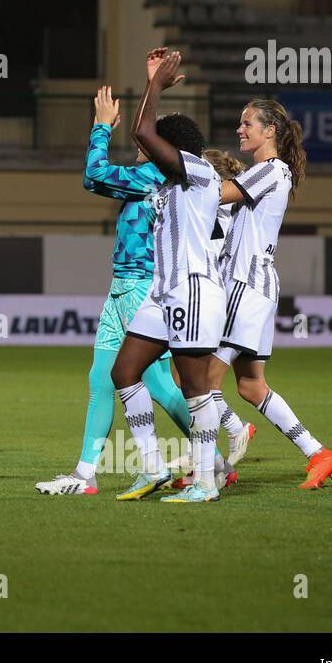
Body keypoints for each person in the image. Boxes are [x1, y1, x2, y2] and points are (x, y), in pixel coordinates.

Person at [35, 81, 194, 495]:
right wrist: (152, 81)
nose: (141, 139)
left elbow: (94, 176)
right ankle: (86, 474)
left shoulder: (150, 176)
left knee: (157, 384)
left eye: (150, 136)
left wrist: (101, 126)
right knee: (102, 379)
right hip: (122, 287)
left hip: (143, 288)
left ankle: (216, 452)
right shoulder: (154, 175)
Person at [205, 100, 332, 490]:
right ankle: (318, 453)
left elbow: (217, 195)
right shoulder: (268, 173)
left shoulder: (269, 170)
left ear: (270, 131)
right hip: (259, 285)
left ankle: (211, 470)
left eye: (247, 123)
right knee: (250, 386)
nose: (239, 129)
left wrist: (179, 175)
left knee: (200, 382)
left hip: (245, 286)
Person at [109, 50, 227, 503]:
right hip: (163, 293)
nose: (146, 151)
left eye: (157, 147)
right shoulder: (164, 182)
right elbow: (141, 137)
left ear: (172, 150)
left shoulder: (198, 172)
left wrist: (155, 84)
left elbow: (142, 130)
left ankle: (205, 482)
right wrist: (149, 82)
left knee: (195, 388)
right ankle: (153, 469)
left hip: (194, 289)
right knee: (125, 372)